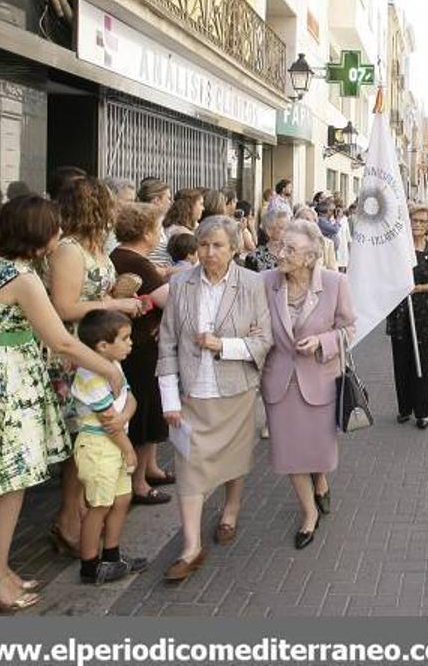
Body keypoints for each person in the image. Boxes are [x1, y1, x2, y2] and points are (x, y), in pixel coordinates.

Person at [0, 195, 125, 611]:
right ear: (39, 233)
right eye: (54, 227)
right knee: (10, 484)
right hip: (7, 383)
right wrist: (108, 366)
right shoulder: (23, 279)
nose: (59, 234)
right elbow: (61, 339)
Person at [157, 216, 272, 582]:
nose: (209, 253)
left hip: (235, 390)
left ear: (234, 248)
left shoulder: (252, 284)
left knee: (234, 458)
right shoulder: (182, 284)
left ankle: (230, 510)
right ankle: (191, 546)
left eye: (218, 245)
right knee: (189, 467)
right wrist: (168, 398)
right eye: (204, 245)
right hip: (192, 393)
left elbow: (263, 341)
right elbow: (167, 342)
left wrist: (223, 345)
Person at [46, 177, 144, 559]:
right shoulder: (69, 250)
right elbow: (65, 307)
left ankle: (80, 514)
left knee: (89, 442)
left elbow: (93, 295)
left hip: (97, 350)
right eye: (109, 203)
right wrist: (116, 306)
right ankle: (69, 519)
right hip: (74, 356)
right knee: (83, 440)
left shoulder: (95, 247)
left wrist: (118, 294)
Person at [261, 220, 355, 549]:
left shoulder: (334, 283)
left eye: (290, 249)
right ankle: (308, 513)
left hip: (320, 381)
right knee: (289, 453)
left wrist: (322, 342)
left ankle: (321, 481)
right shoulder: (265, 282)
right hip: (279, 382)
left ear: (311, 256)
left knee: (316, 451)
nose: (280, 254)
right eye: (280, 246)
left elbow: (348, 329)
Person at [71, 310, 148, 584]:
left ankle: (112, 556)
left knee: (122, 499)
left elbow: (130, 400)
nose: (131, 343)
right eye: (125, 338)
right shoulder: (89, 375)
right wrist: (128, 450)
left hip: (115, 441)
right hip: (98, 447)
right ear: (102, 346)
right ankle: (90, 565)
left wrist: (124, 418)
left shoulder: (113, 365)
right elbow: (107, 422)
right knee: (99, 506)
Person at [110, 203, 174, 505]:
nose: (160, 233)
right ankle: (139, 483)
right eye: (157, 227)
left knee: (149, 409)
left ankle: (149, 469)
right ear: (146, 231)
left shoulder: (124, 257)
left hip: (135, 345)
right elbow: (167, 299)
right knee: (145, 412)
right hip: (141, 347)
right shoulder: (136, 261)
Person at [386, 206, 428, 429]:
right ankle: (404, 408)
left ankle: (422, 411)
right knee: (401, 362)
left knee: (421, 363)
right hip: (400, 313)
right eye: (414, 220)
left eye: (422, 221)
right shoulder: (399, 250)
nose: (418, 224)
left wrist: (417, 288)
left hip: (423, 313)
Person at [136, 178, 173, 270]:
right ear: (157, 200)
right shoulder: (144, 224)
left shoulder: (160, 222)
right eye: (168, 198)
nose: (170, 202)